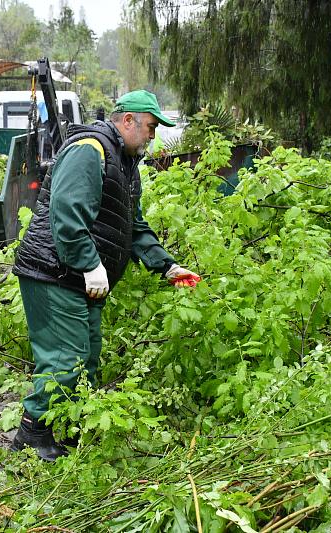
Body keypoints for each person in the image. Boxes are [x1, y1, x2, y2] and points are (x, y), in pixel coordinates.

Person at [11, 90, 201, 460]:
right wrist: (89, 263)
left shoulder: (124, 164)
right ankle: (31, 437)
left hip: (78, 280)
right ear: (127, 120)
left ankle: (63, 429)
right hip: (53, 272)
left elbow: (133, 225)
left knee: (87, 359)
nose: (152, 136)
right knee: (65, 360)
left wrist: (167, 265)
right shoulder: (90, 151)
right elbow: (66, 215)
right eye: (149, 127)